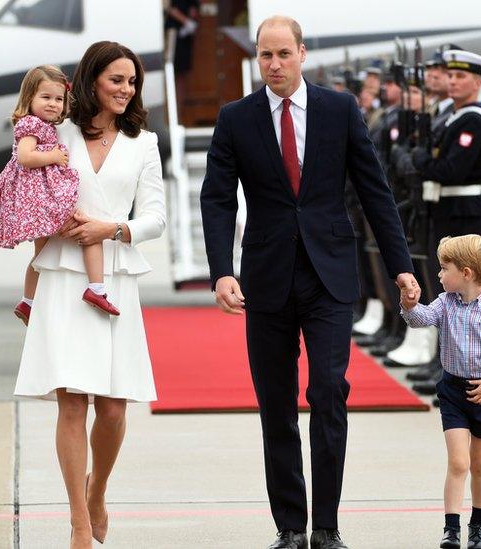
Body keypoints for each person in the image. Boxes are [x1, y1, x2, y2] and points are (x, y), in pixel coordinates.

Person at [200, 16, 418, 549]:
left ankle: (327, 527)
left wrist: (400, 267)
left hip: (329, 277)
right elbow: (218, 198)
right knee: (276, 405)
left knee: (328, 392)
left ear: (301, 54)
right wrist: (221, 271)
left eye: (283, 54)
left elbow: (374, 190)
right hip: (267, 279)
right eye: (265, 55)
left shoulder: (338, 110)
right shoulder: (236, 118)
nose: (274, 64)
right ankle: (290, 528)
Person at [13, 41, 165, 549]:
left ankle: (96, 489)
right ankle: (78, 521)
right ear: (92, 80)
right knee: (72, 403)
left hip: (114, 276)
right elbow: (26, 184)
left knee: (115, 408)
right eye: (116, 80)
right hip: (62, 274)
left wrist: (110, 230)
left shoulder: (144, 142)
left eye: (132, 82)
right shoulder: (58, 132)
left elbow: (155, 219)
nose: (125, 90)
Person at [399, 234, 481, 549]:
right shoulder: (445, 304)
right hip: (454, 391)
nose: (439, 275)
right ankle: (451, 528)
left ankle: (478, 524)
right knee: (458, 462)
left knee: (480, 464)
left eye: (444, 269)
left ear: (466, 273)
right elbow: (422, 319)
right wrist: (409, 305)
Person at [392, 47, 481, 395]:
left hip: (462, 211)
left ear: (477, 82)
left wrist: (420, 162)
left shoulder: (474, 121)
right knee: (445, 293)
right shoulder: (454, 117)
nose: (453, 81)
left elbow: (453, 169)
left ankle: (463, 371)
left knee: (464, 295)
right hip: (447, 211)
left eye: (461, 76)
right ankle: (444, 363)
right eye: (450, 75)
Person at [0, 65, 118, 323]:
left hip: (41, 195)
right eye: (46, 98)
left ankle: (28, 302)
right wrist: (53, 156)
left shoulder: (44, 125)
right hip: (38, 198)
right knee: (86, 230)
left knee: (42, 254)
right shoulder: (31, 124)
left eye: (59, 99)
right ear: (29, 98)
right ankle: (95, 288)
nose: (53, 104)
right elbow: (25, 157)